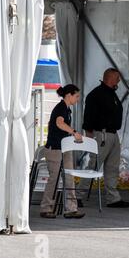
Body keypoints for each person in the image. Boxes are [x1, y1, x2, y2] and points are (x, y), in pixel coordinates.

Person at [76, 68, 129, 208]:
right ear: (110, 78)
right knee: (93, 165)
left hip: (112, 134)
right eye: (117, 78)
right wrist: (89, 136)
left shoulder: (112, 94)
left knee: (112, 167)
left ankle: (113, 198)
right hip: (100, 134)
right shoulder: (96, 95)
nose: (119, 81)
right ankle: (77, 196)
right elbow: (88, 117)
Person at [40, 84, 85, 219]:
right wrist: (74, 132)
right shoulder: (60, 108)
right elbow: (60, 123)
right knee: (54, 178)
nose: (77, 99)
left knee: (69, 177)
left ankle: (71, 208)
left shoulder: (67, 109)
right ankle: (46, 207)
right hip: (55, 148)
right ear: (69, 95)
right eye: (76, 96)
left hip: (64, 148)